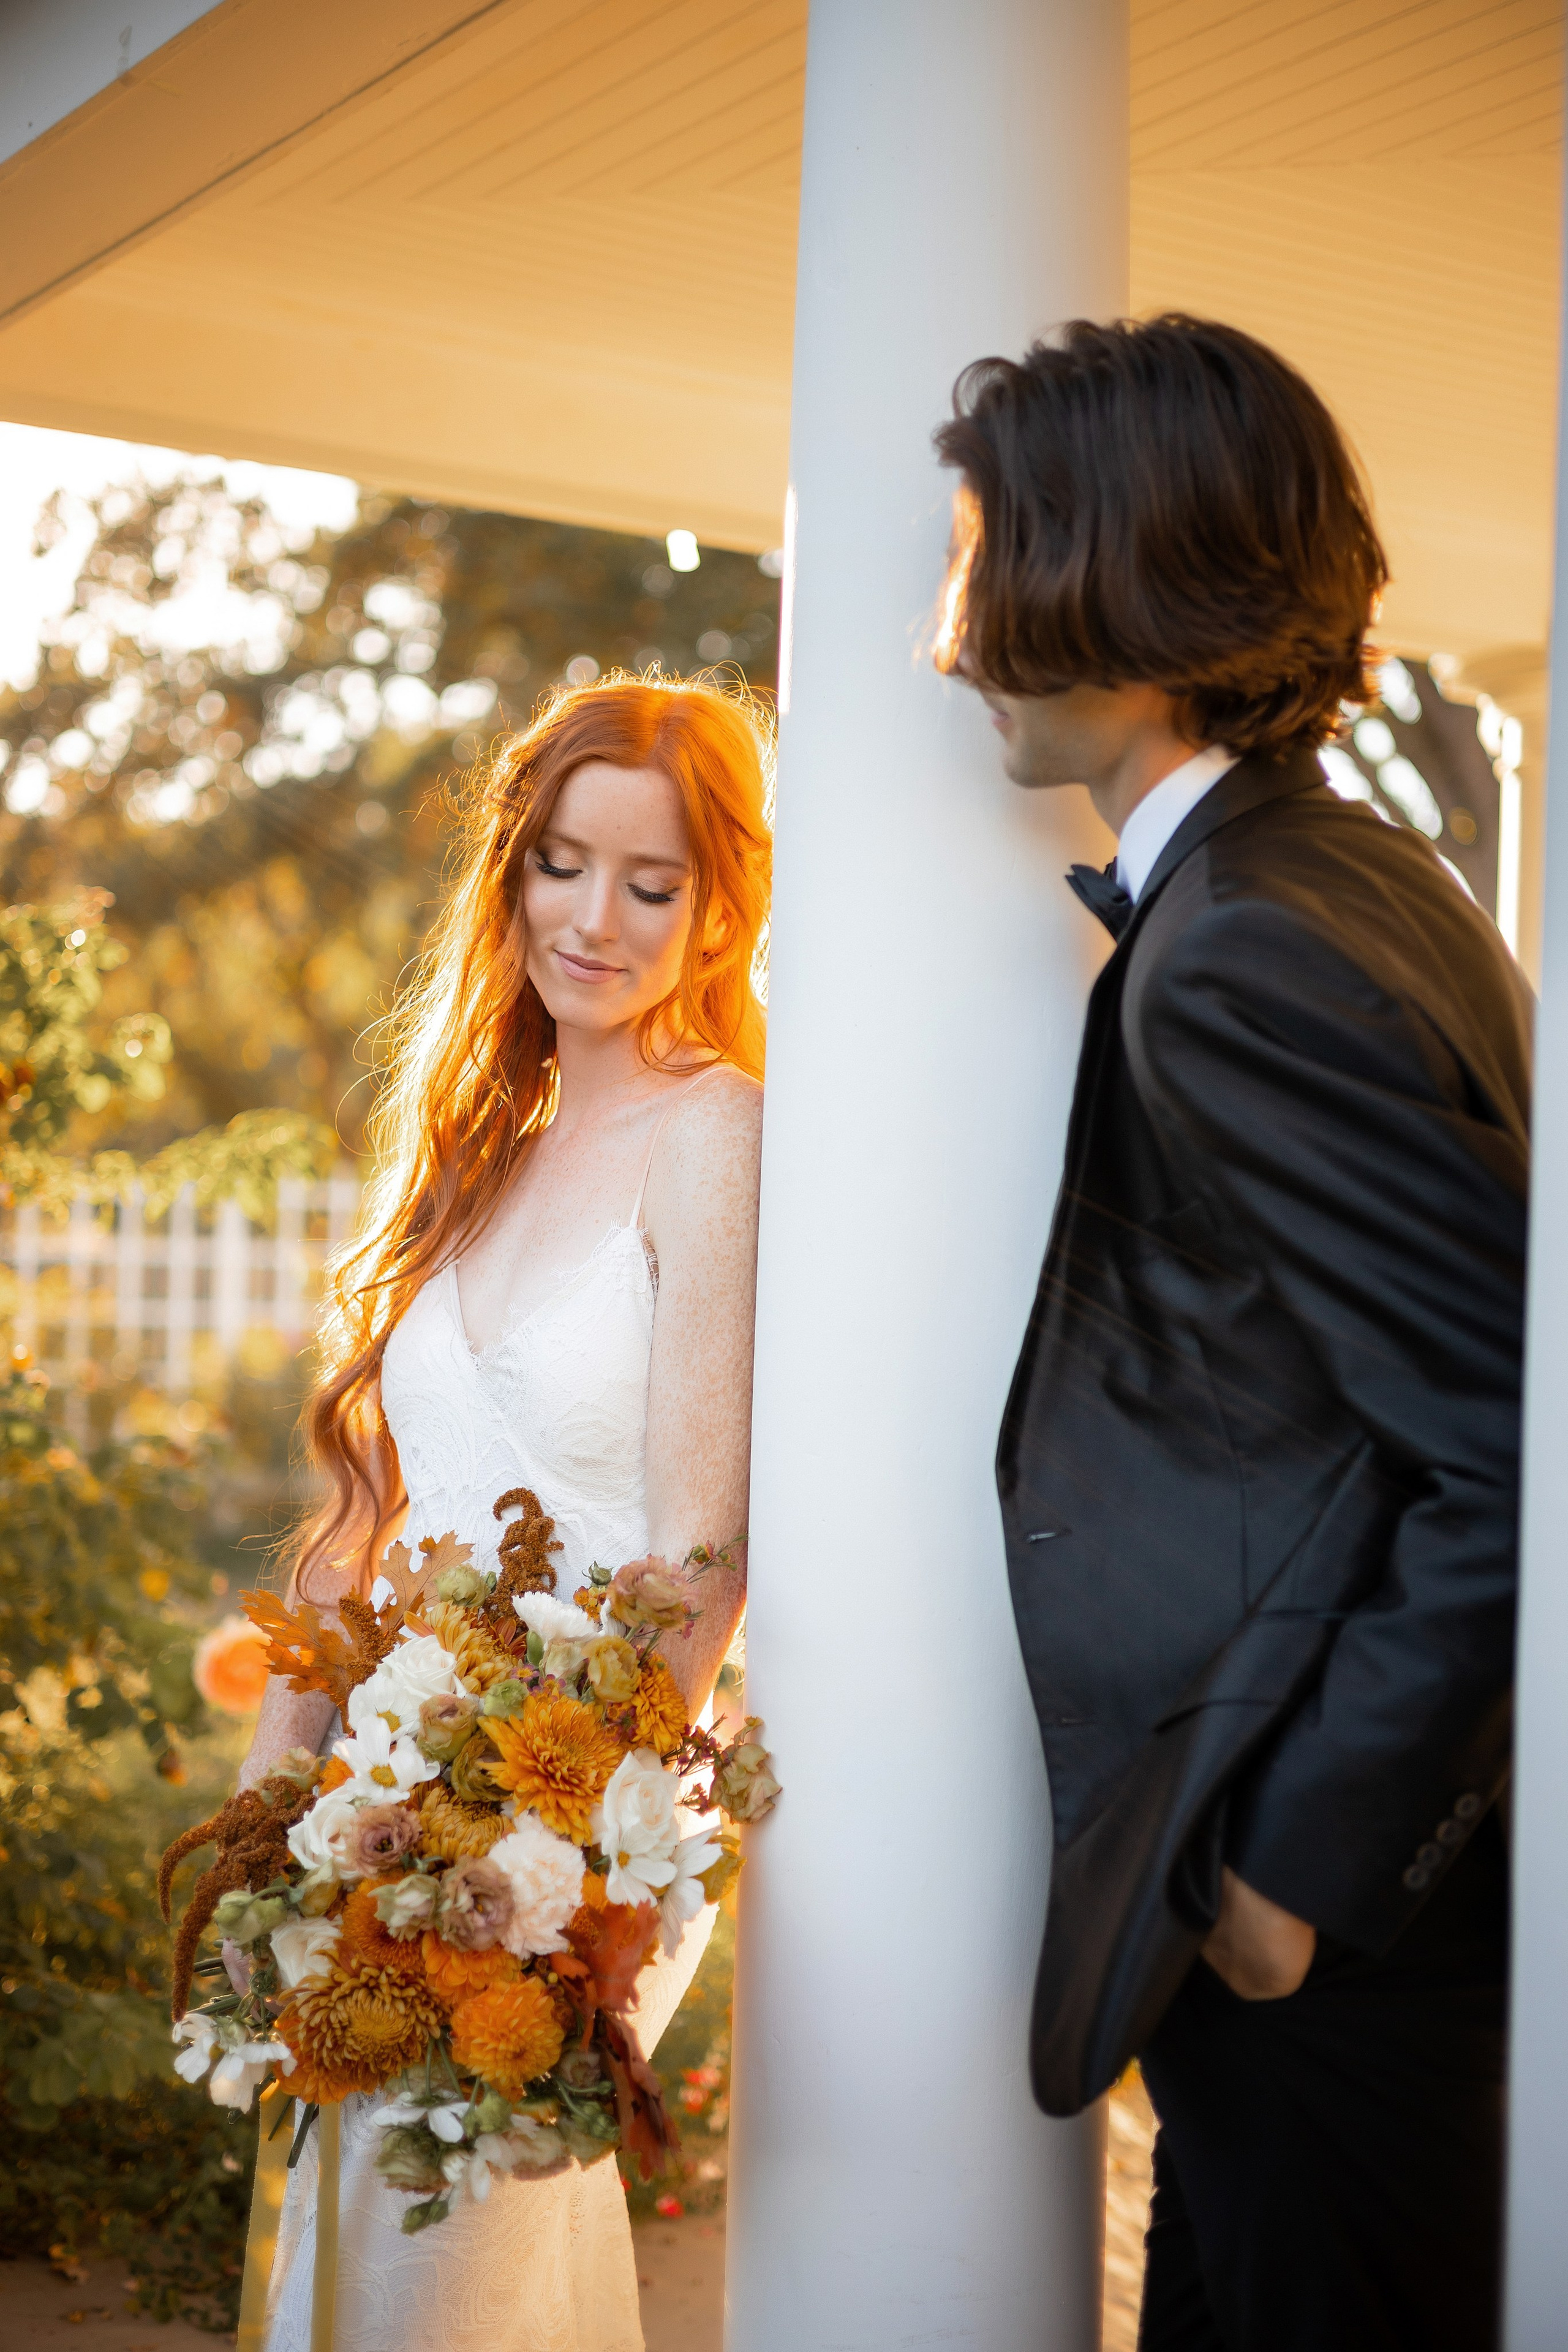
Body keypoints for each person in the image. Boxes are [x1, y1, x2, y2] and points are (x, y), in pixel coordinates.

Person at [933, 315, 1529, 2351]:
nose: (950, 638)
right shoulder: (1368, 877)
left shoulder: (1248, 950)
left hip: (1337, 1931)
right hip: (1327, 1925)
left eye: (976, 559)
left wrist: (1293, 1874)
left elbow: (1516, 1439)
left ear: (1114, 571)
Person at [235, 674, 771, 2352]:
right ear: (513, 870)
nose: (593, 918)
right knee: (353, 2236)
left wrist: (553, 1873)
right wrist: (265, 1825)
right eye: (560, 862)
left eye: (651, 881)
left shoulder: (718, 1137)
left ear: (718, 906)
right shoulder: (481, 1146)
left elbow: (703, 1561)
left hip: (595, 1805)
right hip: (389, 1787)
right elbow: (360, 1535)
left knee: (450, 2258)